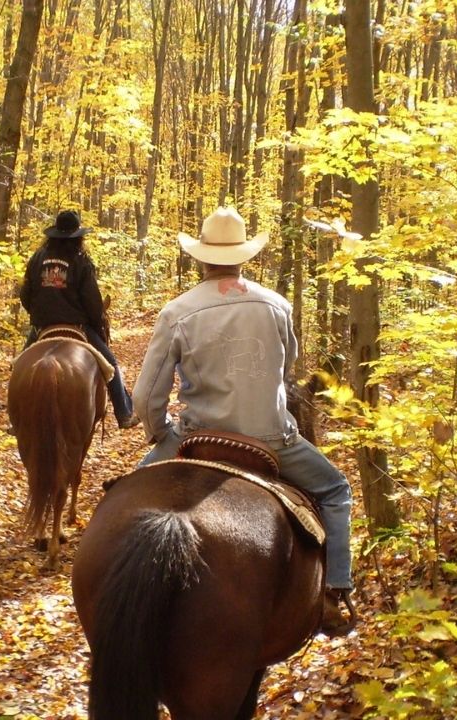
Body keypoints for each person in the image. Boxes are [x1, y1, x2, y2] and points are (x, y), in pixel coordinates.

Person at [131, 206, 355, 634]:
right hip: (271, 438)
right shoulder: (277, 305)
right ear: (243, 256)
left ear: (201, 257)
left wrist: (161, 433)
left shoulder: (178, 311)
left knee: (125, 494)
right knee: (335, 490)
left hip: (198, 434)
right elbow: (285, 369)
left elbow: (145, 396)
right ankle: (335, 592)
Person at [20, 209, 140, 430]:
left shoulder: (37, 258)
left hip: (42, 328)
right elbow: (92, 301)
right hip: (78, 326)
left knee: (19, 367)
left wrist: (39, 317)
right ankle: (124, 413)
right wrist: (97, 322)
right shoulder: (81, 260)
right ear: (78, 236)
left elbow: (25, 296)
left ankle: (15, 418)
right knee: (111, 365)